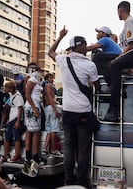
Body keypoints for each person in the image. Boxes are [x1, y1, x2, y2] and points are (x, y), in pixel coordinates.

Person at [48, 26, 100, 188]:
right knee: (83, 149)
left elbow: (50, 52)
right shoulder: (90, 65)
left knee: (69, 148)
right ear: (80, 46)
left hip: (68, 112)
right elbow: (97, 86)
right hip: (84, 112)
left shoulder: (64, 60)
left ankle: (69, 181)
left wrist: (60, 37)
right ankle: (82, 182)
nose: (87, 47)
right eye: (85, 45)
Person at [104, 0, 133, 122]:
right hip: (130, 53)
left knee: (115, 65)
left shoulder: (130, 21)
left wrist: (118, 58)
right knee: (102, 59)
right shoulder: (127, 24)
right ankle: (113, 83)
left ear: (120, 10)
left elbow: (132, 44)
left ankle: (114, 109)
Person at [22, 65, 44, 177]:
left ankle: (30, 155)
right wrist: (35, 108)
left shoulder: (35, 80)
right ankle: (33, 155)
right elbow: (27, 95)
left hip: (34, 106)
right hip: (32, 107)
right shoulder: (31, 80)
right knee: (34, 132)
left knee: (32, 131)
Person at [0, 80, 24, 164]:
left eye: (6, 87)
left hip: (16, 119)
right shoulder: (12, 95)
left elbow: (20, 109)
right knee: (7, 137)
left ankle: (17, 155)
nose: (5, 89)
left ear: (11, 88)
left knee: (16, 136)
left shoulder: (18, 96)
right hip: (12, 119)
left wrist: (18, 121)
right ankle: (5, 155)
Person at [42, 73, 62, 156]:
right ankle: (54, 149)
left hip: (46, 108)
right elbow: (51, 98)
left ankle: (45, 148)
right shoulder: (49, 86)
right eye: (50, 78)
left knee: (49, 130)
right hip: (51, 107)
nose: (52, 79)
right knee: (54, 130)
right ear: (47, 79)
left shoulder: (44, 87)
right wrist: (55, 109)